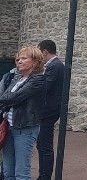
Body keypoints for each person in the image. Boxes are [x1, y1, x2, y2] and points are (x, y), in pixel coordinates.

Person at [0, 46, 46, 180]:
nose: (19, 61)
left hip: (25, 128)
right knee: (8, 172)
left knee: (21, 172)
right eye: (18, 59)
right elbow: (6, 96)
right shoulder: (17, 78)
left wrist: (7, 99)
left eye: (24, 58)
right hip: (8, 127)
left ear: (36, 61)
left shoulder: (38, 80)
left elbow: (14, 97)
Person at [36, 40, 65, 180]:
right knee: (41, 144)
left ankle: (45, 176)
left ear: (45, 51)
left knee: (45, 146)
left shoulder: (54, 66)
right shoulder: (54, 65)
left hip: (48, 111)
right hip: (47, 110)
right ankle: (43, 174)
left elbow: (45, 86)